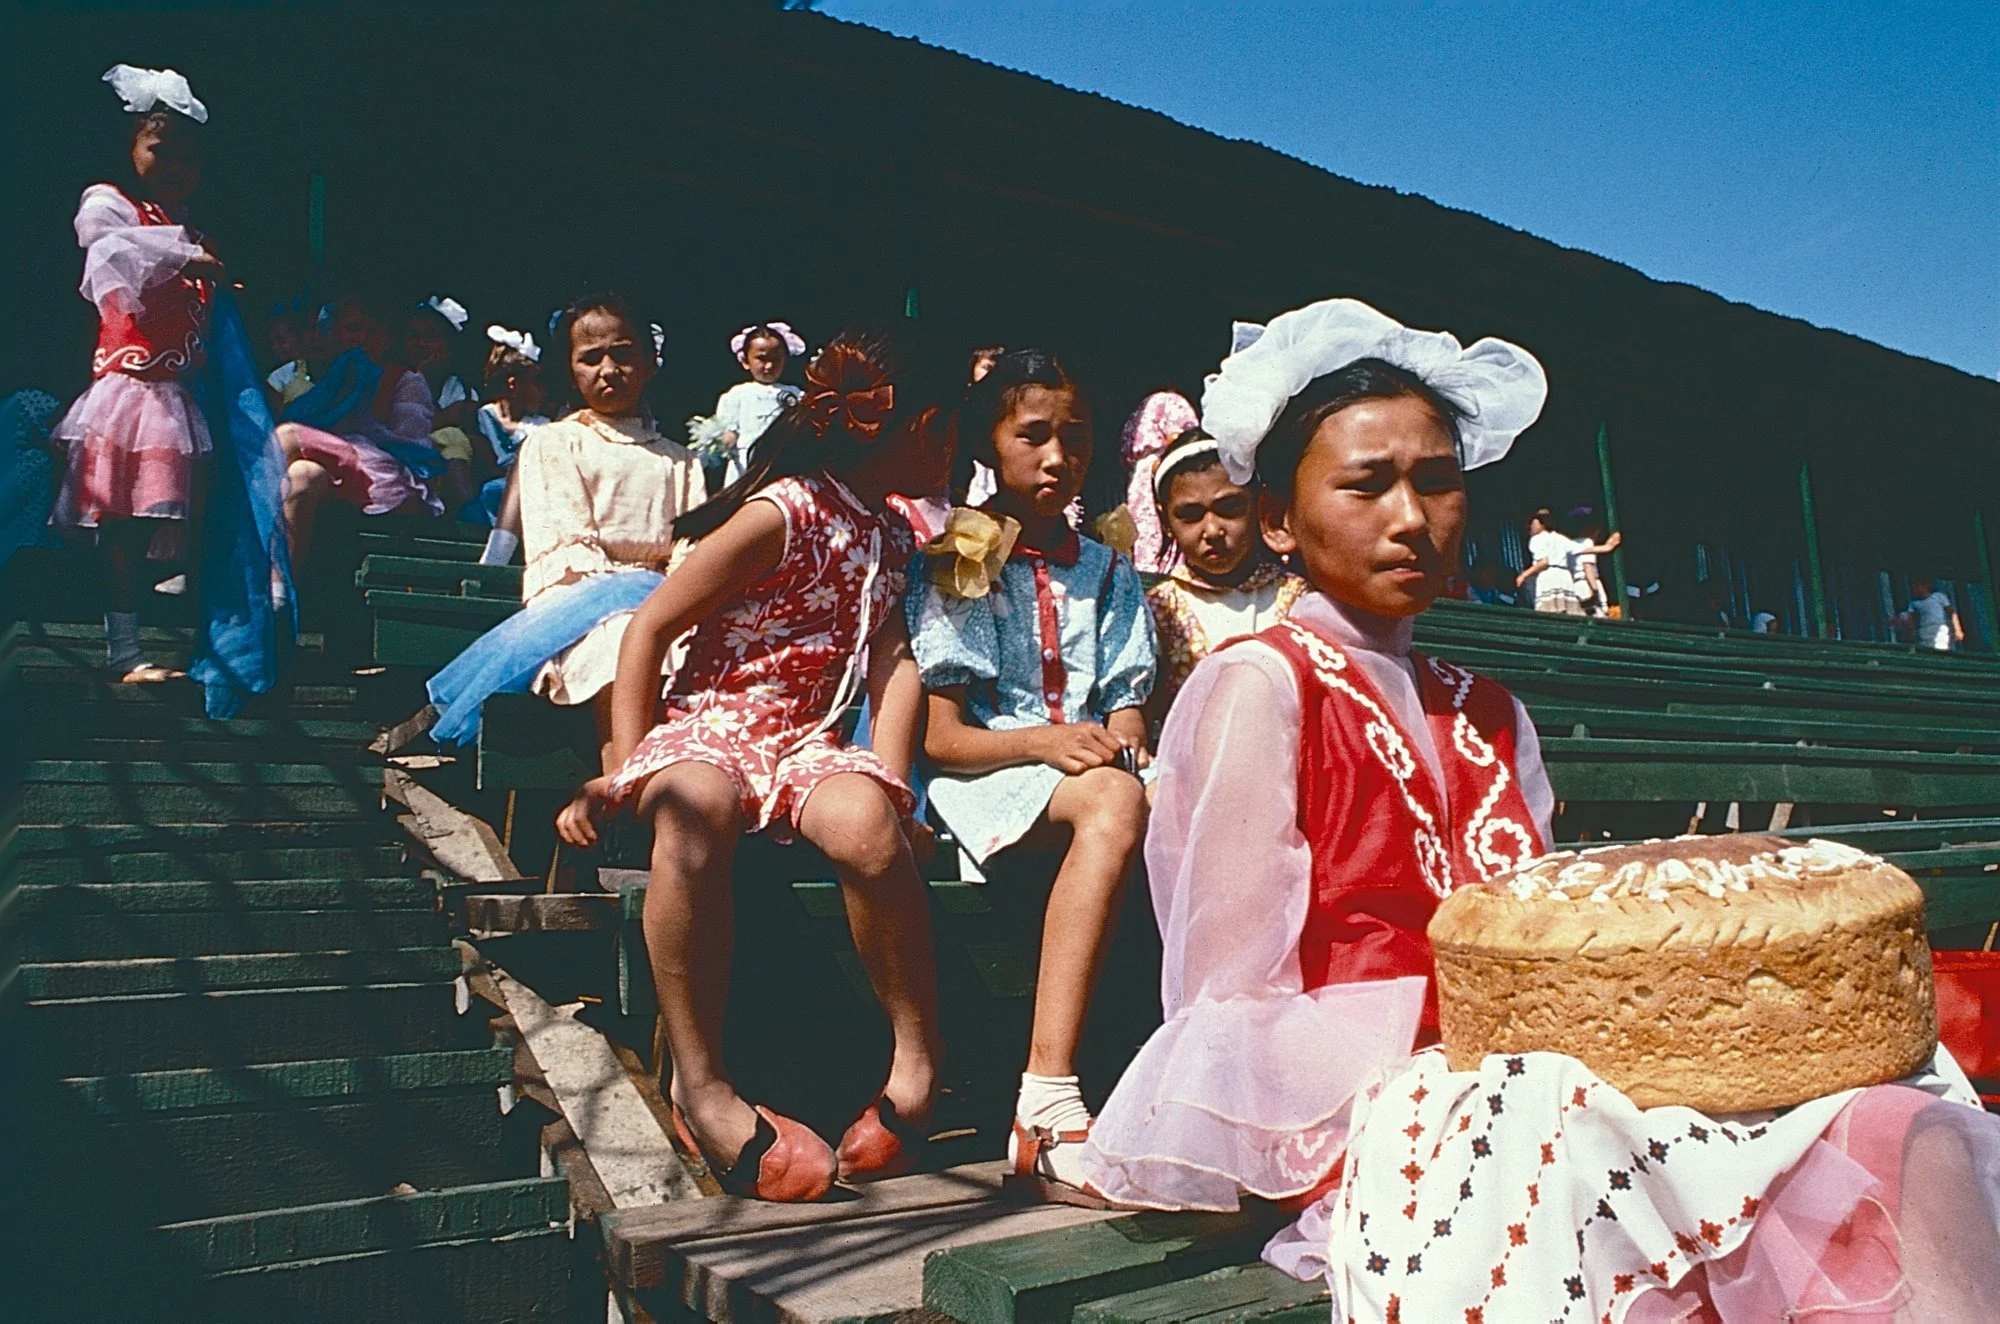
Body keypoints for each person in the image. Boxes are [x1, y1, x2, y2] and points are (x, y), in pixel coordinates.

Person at [1077, 296, 1553, 1213]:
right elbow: (1231, 983)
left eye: (1438, 481)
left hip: (1519, 1060)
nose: (1413, 518)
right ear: (1280, 522)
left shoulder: (1491, 710)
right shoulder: (1262, 683)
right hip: (1360, 1103)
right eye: (1366, 485)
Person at [555, 327, 954, 1203]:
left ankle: (916, 1064)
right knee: (696, 808)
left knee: (866, 828)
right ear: (920, 427)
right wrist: (625, 765)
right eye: (949, 434)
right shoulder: (782, 512)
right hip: (714, 726)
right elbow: (649, 628)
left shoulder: (890, 535)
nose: (954, 455)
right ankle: (704, 1085)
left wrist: (892, 788)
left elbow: (892, 667)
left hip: (806, 742)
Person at [904, 348, 1156, 1200]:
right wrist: (1046, 744)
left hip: (1084, 774)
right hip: (993, 773)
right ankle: (1046, 1098)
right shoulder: (964, 557)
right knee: (1117, 801)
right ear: (992, 445)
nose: (1059, 457)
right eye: (1035, 436)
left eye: (1075, 437)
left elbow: (1125, 704)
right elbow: (942, 739)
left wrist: (1120, 740)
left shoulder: (1110, 569)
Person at [427, 294, 705, 748]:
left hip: (665, 605)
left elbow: (690, 552)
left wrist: (658, 570)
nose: (609, 370)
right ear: (572, 375)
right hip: (578, 612)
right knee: (623, 641)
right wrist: (649, 561)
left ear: (651, 362)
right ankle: (621, 790)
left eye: (624, 354)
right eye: (590, 359)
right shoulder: (556, 444)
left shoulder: (681, 461)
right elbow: (573, 549)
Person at [49, 65, 225, 681]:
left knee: (186, 517)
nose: (176, 167)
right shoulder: (113, 205)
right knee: (124, 523)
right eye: (161, 151)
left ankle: (184, 633)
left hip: (180, 397)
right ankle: (125, 650)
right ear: (129, 149)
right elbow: (103, 246)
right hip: (133, 395)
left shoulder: (188, 232)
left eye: (189, 159)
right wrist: (187, 257)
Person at [1143, 425, 1306, 720]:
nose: (1213, 531)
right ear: (1166, 521)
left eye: (1229, 508)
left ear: (1259, 506)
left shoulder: (1299, 598)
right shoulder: (1159, 611)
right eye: (1191, 515)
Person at [274, 293, 445, 569]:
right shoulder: (318, 382)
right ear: (331, 334)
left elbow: (413, 453)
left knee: (287, 436)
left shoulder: (403, 380)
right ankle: (279, 589)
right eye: (353, 329)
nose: (363, 338)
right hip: (333, 478)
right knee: (301, 477)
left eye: (374, 331)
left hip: (382, 481)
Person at [471, 324, 549, 565]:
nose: (543, 393)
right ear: (514, 384)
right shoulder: (482, 416)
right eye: (537, 384)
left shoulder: (542, 426)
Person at [403, 296, 480, 515]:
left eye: (430, 337)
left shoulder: (460, 388)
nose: (421, 344)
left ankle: (470, 512)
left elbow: (452, 422)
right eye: (414, 336)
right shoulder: (393, 379)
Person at [712, 322, 805, 487]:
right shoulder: (738, 394)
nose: (769, 366)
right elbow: (727, 429)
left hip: (783, 464)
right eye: (761, 359)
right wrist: (726, 438)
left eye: (775, 359)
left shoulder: (796, 394)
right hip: (746, 467)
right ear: (745, 361)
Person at [1118, 391, 1200, 576]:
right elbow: (1185, 438)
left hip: (1146, 475)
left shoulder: (1150, 407)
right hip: (1155, 473)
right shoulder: (1169, 402)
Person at [1904, 578, 1963, 651]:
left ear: (1925, 586)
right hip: (1924, 632)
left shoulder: (1938, 596)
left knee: (1941, 650)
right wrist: (1911, 634)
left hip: (1940, 629)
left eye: (1917, 586)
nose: (1914, 589)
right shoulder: (1914, 604)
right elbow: (1911, 620)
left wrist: (1958, 629)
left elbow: (1951, 613)